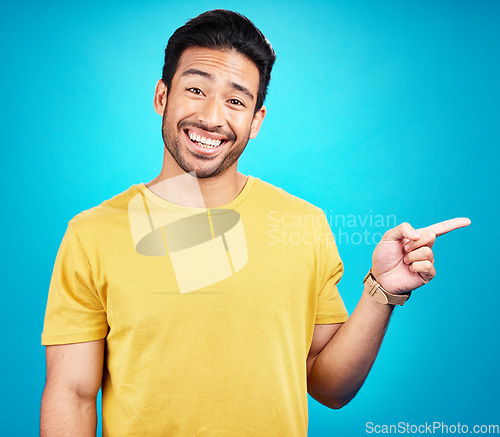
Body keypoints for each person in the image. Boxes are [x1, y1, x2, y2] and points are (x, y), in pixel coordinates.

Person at [40, 9, 470, 437]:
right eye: (195, 89)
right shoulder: (92, 235)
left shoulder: (303, 224)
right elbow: (72, 395)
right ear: (161, 97)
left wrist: (382, 291)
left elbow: (330, 386)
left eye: (235, 100)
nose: (211, 117)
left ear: (256, 121)